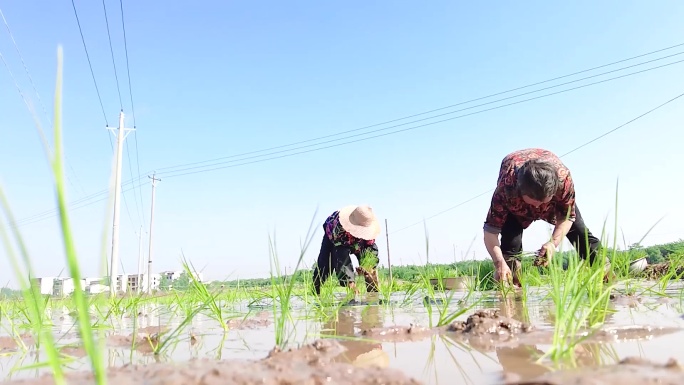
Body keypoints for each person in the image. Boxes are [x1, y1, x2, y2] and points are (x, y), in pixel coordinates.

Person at [482, 148, 611, 286]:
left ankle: (610, 281)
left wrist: (552, 243)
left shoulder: (564, 180)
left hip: (555, 201)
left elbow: (567, 217)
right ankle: (511, 291)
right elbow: (490, 232)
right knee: (509, 252)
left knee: (581, 236)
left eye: (542, 202)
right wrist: (499, 263)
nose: (537, 208)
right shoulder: (506, 189)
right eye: (532, 202)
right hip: (515, 208)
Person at [312, 205, 381, 295]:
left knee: (369, 269)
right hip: (335, 239)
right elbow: (341, 257)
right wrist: (351, 283)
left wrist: (367, 268)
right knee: (324, 265)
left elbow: (371, 249)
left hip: (354, 240)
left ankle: (373, 296)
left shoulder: (368, 230)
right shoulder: (339, 228)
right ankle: (315, 292)